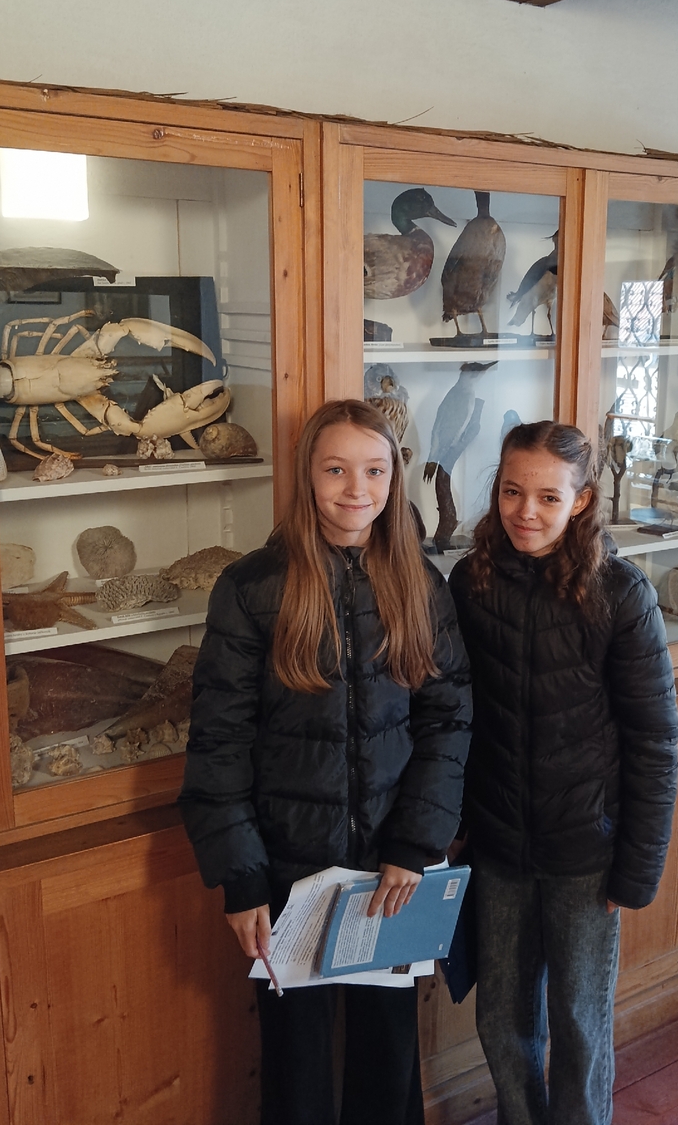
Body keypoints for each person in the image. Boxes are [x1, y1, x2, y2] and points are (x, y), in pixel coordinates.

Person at [179, 399, 472, 1125]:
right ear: (307, 475)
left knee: (388, 1060)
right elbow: (219, 741)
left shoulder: (420, 583)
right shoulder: (252, 587)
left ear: (394, 477)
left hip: (390, 872)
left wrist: (415, 843)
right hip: (288, 873)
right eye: (335, 470)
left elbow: (447, 719)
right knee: (296, 1067)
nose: (356, 489)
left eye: (374, 470)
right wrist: (242, 878)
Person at [448, 420, 678, 1125]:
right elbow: (456, 717)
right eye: (512, 491)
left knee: (579, 1018)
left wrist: (637, 869)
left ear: (580, 502)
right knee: (502, 1017)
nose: (526, 511)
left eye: (549, 497)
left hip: (587, 851)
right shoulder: (469, 581)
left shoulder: (620, 592)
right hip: (498, 845)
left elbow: (654, 740)